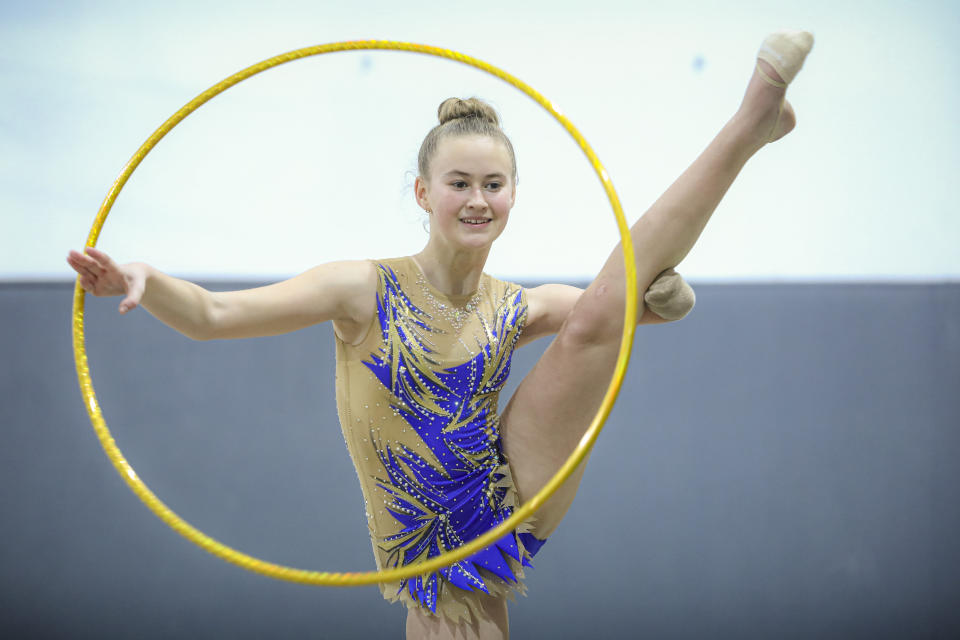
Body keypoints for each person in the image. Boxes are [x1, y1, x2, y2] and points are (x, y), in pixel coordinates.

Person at [68, 29, 813, 640]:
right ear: (424, 193)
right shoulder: (362, 289)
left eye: (494, 185)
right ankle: (757, 126)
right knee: (465, 616)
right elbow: (214, 316)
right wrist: (143, 280)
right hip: (423, 543)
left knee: (589, 321)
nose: (478, 199)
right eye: (459, 183)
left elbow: (613, 309)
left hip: (505, 488)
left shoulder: (517, 305)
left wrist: (650, 304)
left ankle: (750, 123)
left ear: (514, 195)